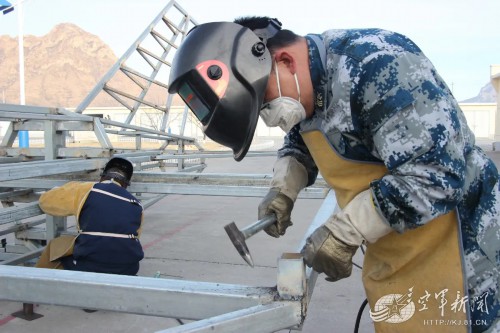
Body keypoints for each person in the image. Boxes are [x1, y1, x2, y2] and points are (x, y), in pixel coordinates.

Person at [168, 17, 500, 332]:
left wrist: (347, 229)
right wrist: (282, 190)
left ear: (285, 60)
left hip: (466, 254)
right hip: (400, 250)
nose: (270, 118)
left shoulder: (379, 65)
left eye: (265, 103)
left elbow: (437, 170)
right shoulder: (305, 90)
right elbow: (300, 142)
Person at [35, 157, 144, 276]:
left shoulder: (87, 189)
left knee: (55, 246)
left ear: (102, 177)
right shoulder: (137, 205)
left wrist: (59, 190)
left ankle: (37, 283)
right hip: (129, 268)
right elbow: (134, 236)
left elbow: (45, 202)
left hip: (91, 264)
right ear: (126, 184)